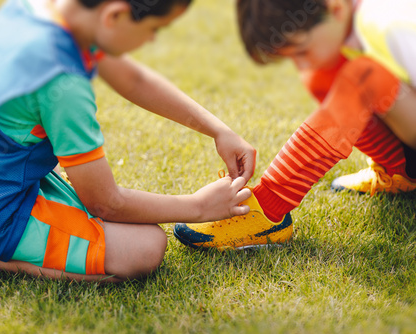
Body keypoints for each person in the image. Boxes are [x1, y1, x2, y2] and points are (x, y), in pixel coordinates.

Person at [0, 0, 257, 282]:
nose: (152, 40)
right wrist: (198, 207)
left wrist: (218, 130)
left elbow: (132, 78)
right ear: (114, 16)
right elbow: (104, 202)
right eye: (154, 29)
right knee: (145, 247)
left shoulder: (40, 9)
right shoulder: (61, 81)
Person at [174, 0, 416, 250]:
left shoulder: (390, 23)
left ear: (336, 9)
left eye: (301, 51)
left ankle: (269, 208)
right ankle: (399, 171)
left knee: (364, 78)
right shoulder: (351, 20)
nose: (301, 65)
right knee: (324, 76)